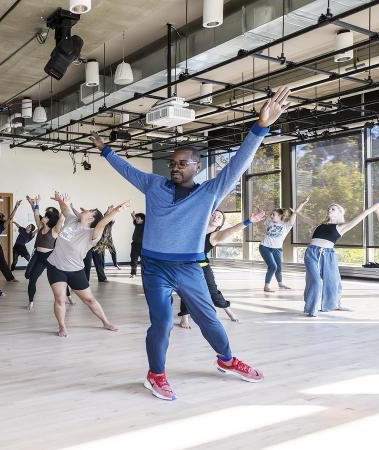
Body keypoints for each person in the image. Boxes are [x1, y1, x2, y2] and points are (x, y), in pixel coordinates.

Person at [92, 86, 292, 401]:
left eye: (183, 163)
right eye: (173, 162)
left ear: (196, 167)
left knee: (207, 318)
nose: (175, 167)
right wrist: (106, 151)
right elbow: (127, 169)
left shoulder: (209, 191)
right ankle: (155, 375)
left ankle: (226, 359)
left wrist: (261, 127)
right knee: (162, 323)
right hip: (155, 267)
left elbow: (238, 164)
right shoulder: (154, 184)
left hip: (188, 266)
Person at [295, 189, 379, 316]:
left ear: (340, 212)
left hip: (328, 254)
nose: (330, 210)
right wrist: (300, 205)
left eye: (333, 209)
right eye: (329, 208)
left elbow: (366, 212)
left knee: (333, 281)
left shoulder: (342, 227)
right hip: (311, 253)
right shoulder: (319, 224)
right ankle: (311, 309)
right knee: (316, 281)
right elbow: (300, 216)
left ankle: (334, 305)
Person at [46, 191, 123, 337]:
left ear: (91, 219)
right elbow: (64, 209)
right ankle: (62, 326)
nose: (85, 210)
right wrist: (60, 201)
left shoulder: (92, 234)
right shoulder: (71, 220)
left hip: (75, 270)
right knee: (59, 298)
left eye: (90, 211)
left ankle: (106, 322)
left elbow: (103, 223)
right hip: (55, 266)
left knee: (90, 299)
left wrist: (116, 211)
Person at [178, 210, 265, 327]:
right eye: (213, 214)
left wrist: (249, 221)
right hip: (187, 267)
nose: (216, 217)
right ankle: (184, 318)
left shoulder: (215, 236)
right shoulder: (193, 230)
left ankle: (228, 310)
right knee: (187, 292)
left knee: (213, 292)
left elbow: (232, 230)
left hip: (203, 267)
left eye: (219, 217)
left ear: (220, 224)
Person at [24, 195, 69, 310]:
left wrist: (62, 203)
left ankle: (67, 295)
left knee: (59, 279)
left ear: (50, 219)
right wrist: (36, 203)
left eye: (46, 216)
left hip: (51, 258)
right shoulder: (40, 226)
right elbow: (35, 213)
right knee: (32, 278)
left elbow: (62, 217)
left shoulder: (55, 229)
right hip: (39, 257)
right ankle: (31, 301)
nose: (43, 217)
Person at [259, 196, 310, 292]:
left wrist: (302, 204)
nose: (271, 216)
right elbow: (263, 216)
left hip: (277, 249)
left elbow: (294, 215)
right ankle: (266, 286)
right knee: (273, 266)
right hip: (265, 247)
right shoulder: (269, 222)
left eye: (273, 215)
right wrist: (260, 212)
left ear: (280, 216)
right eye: (271, 215)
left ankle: (280, 283)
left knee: (279, 267)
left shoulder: (286, 226)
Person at [129, 211, 145, 278]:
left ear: (142, 219)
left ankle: (144, 274)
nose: (136, 219)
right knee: (133, 259)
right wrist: (133, 216)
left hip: (142, 245)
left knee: (143, 261)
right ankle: (133, 273)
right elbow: (134, 220)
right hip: (134, 244)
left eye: (138, 218)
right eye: (136, 218)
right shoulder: (137, 224)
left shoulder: (145, 225)